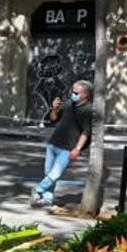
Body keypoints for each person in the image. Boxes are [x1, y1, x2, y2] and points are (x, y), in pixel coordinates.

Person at [30, 80, 93, 208]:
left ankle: (38, 189)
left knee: (55, 174)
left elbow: (86, 132)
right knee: (48, 173)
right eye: (72, 91)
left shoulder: (88, 110)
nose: (73, 94)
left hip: (67, 148)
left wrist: (78, 148)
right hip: (53, 143)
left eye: (76, 92)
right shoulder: (69, 103)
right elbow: (54, 119)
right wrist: (54, 108)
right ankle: (48, 198)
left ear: (85, 94)